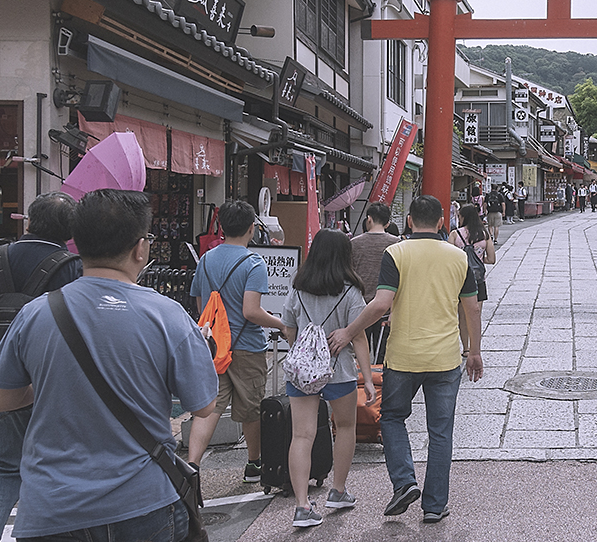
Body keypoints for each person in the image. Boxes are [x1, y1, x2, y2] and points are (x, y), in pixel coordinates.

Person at [0, 189, 217, 541]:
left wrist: (54, 385)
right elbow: (203, 405)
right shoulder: (167, 316)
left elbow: (2, 401)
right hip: (143, 501)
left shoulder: (34, 314)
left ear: (77, 245)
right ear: (141, 248)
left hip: (52, 509)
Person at [327, 196, 482, 524]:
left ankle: (404, 482)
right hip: (444, 357)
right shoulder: (458, 256)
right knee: (440, 431)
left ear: (409, 221)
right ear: (442, 222)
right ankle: (435, 505)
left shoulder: (395, 253)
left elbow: (382, 303)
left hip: (403, 356)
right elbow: (472, 308)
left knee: (393, 418)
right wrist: (475, 353)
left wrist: (349, 331)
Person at [0, 192, 83, 542]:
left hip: (0, 378)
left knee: (5, 464)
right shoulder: (71, 267)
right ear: (69, 231)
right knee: (58, 464)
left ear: (30, 220)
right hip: (51, 381)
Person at [282, 230, 376, 527]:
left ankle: (301, 506)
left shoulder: (298, 287)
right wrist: (369, 378)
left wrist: (306, 348)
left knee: (301, 436)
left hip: (303, 374)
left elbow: (288, 329)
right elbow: (358, 337)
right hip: (340, 372)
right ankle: (337, 491)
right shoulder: (350, 292)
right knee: (344, 427)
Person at [188, 200, 286, 481]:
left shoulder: (205, 259)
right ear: (252, 229)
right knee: (251, 408)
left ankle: (192, 466)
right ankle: (254, 464)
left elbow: (200, 304)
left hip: (214, 346)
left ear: (222, 227)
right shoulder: (253, 263)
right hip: (247, 346)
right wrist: (282, 324)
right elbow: (251, 311)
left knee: (209, 408)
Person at [449, 204, 495, 356]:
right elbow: (491, 259)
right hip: (478, 279)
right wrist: (479, 258)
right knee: (475, 314)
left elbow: (447, 259)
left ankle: (466, 348)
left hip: (460, 279)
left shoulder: (455, 235)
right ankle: (476, 348)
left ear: (462, 217)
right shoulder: (484, 234)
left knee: (462, 315)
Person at [351, 203, 400, 304]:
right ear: (387, 224)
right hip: (388, 303)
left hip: (359, 301)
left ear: (369, 219)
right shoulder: (397, 243)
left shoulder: (354, 243)